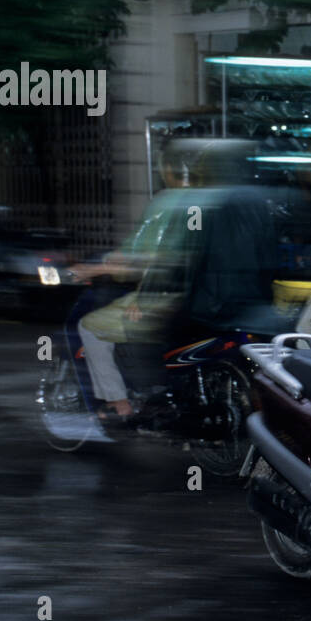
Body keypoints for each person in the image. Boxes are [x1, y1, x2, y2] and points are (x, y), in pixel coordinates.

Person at [72, 151, 201, 421]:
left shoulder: (167, 201)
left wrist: (94, 268)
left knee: (90, 326)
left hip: (166, 296)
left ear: (167, 170)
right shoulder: (216, 201)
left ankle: (119, 404)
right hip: (208, 296)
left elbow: (147, 257)